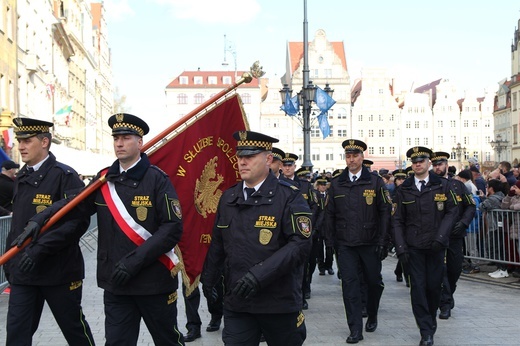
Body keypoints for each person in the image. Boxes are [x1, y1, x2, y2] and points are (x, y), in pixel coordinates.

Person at [24, 113, 185, 345]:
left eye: (126, 137)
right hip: (116, 283)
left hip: (154, 282)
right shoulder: (104, 180)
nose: (119, 143)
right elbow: (74, 205)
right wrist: (41, 218)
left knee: (167, 340)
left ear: (139, 143)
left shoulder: (157, 179)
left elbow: (172, 228)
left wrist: (134, 261)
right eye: (116, 138)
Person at [201, 130, 312, 345]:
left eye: (250, 157)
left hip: (278, 302)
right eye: (240, 157)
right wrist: (209, 279)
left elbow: (300, 244)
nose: (242, 162)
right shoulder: (229, 197)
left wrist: (258, 276)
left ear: (268, 159)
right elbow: (218, 243)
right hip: (238, 301)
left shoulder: (289, 196)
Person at [5, 117, 95, 345]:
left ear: (44, 142)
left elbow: (77, 222)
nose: (21, 146)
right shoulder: (22, 176)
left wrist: (39, 250)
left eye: (27, 141)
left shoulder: (65, 176)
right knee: (17, 334)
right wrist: (11, 262)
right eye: (19, 141)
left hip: (59, 272)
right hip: (24, 273)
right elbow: (18, 225)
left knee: (75, 331)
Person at [324, 139, 391, 344]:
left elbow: (385, 212)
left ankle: (372, 314)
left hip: (369, 242)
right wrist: (330, 242)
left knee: (373, 282)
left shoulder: (375, 181)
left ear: (362, 157)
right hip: (345, 244)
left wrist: (383, 241)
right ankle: (355, 329)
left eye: (355, 156)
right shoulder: (337, 183)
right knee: (350, 286)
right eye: (348, 156)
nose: (351, 160)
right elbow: (329, 215)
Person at [393, 146, 458, 346]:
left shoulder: (443, 185)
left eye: (421, 161)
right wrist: (401, 247)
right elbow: (397, 220)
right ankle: (425, 329)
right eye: (414, 162)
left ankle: (430, 319)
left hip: (436, 246)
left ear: (429, 162)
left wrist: (441, 237)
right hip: (413, 247)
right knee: (418, 289)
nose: (418, 164)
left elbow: (452, 212)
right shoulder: (404, 188)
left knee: (433, 288)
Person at [431, 153, 476, 320]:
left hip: (455, 235)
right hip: (436, 235)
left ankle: (448, 295)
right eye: (435, 164)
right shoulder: (430, 185)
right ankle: (445, 303)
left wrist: (463, 222)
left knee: (454, 269)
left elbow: (470, 205)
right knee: (440, 270)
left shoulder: (457, 185)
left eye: (440, 164)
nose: (437, 167)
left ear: (446, 165)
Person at [280, 153, 318, 310]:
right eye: (285, 165)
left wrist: (308, 226)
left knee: (302, 265)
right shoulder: (277, 184)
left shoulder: (304, 185)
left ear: (295, 167)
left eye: (290, 165)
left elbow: (314, 207)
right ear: (281, 167)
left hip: (301, 232)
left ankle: (302, 294)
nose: (288, 168)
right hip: (283, 232)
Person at [182, 274, 224, 342]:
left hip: (209, 263)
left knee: (213, 283)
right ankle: (193, 327)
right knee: (189, 286)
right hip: (191, 264)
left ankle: (216, 314)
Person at [481, 179, 509, 279]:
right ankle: (500, 268)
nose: (486, 188)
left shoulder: (492, 199)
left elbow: (481, 207)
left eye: (487, 186)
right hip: (499, 226)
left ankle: (502, 269)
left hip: (495, 226)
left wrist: (483, 198)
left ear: (491, 188)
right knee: (498, 248)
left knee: (494, 248)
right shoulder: (501, 196)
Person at [391, 168, 410, 286]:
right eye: (399, 179)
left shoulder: (408, 191)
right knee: (402, 250)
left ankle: (400, 271)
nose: (401, 181)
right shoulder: (393, 194)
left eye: (403, 179)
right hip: (397, 226)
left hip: (408, 225)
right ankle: (407, 276)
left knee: (406, 252)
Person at [315, 177, 334, 276]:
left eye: (324, 185)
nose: (323, 187)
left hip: (328, 226)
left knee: (330, 248)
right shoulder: (315, 195)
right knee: (319, 249)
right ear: (318, 186)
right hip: (319, 226)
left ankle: (329, 266)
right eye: (321, 185)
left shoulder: (329, 196)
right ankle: (321, 268)